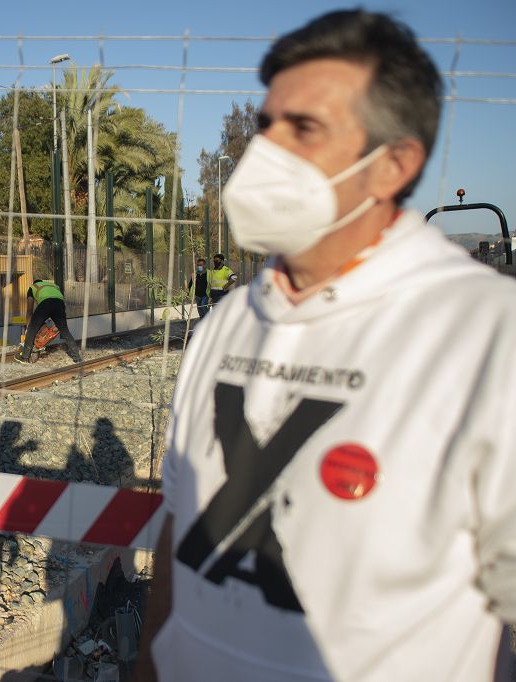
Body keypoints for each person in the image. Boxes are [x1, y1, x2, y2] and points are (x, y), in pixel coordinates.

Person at [138, 9, 516, 682]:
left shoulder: (487, 333)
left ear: (394, 164)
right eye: (265, 126)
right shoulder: (227, 320)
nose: (264, 153)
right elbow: (179, 526)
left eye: (303, 129)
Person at [16, 278, 81, 364]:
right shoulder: (52, 285)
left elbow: (29, 311)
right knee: (65, 331)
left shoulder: (32, 287)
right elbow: (56, 299)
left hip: (46, 303)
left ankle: (24, 357)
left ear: (34, 283)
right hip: (60, 304)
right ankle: (77, 357)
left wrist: (29, 327)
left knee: (32, 328)